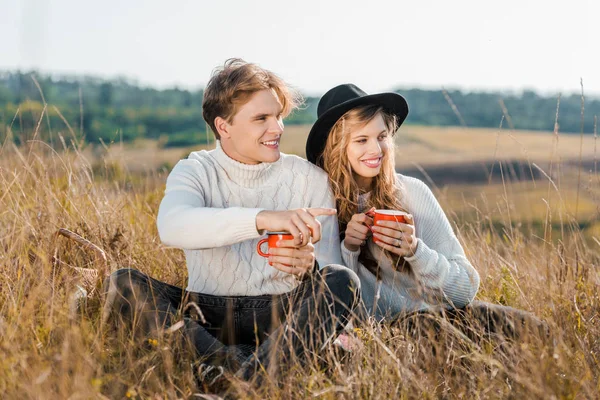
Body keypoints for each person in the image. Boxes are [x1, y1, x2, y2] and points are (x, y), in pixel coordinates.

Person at [102, 60, 360, 390]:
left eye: (278, 115)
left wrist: (310, 265)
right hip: (206, 315)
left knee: (343, 281)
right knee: (124, 283)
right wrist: (263, 218)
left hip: (280, 314)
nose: (277, 127)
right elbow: (173, 225)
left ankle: (232, 383)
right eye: (261, 119)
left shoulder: (309, 179)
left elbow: (330, 269)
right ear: (224, 127)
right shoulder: (194, 170)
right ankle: (243, 374)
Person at [305, 84, 547, 340]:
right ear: (337, 147)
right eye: (362, 140)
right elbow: (343, 309)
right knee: (442, 337)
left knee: (537, 332)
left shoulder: (412, 192)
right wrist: (350, 249)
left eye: (382, 136)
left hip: (445, 312)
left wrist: (414, 250)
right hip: (392, 331)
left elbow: (465, 288)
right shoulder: (323, 204)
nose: (376, 150)